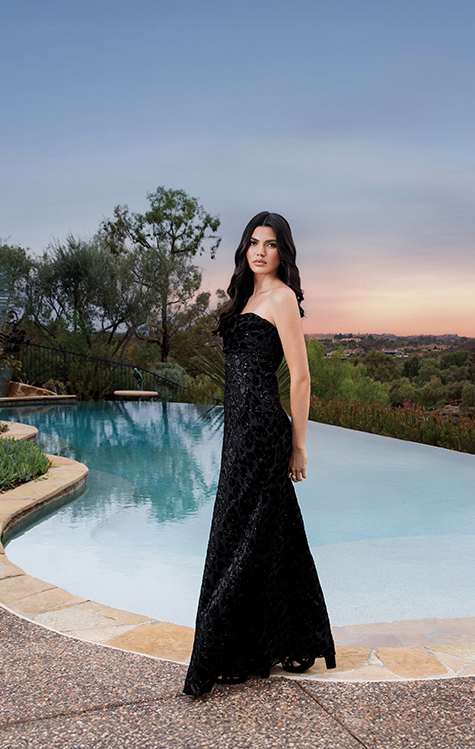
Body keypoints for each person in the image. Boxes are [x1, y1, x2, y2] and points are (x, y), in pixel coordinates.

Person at [184, 211, 336, 697]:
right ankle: (281, 638)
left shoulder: (283, 298)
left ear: (282, 252)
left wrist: (299, 446)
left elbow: (301, 376)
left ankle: (221, 649)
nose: (260, 251)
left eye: (270, 244)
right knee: (270, 534)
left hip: (263, 436)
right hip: (238, 435)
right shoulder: (245, 297)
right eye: (253, 242)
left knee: (240, 535)